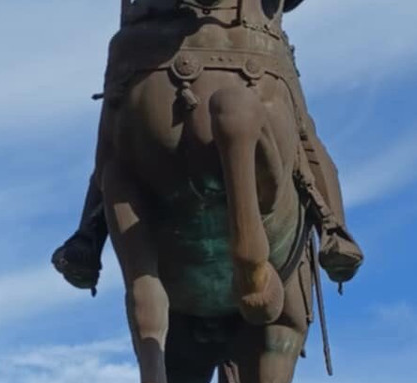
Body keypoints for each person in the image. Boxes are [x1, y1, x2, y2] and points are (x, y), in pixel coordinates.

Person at [52, 0, 362, 292]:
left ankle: (332, 225)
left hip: (250, 28)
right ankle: (91, 228)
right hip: (151, 26)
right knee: (119, 109)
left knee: (301, 126)